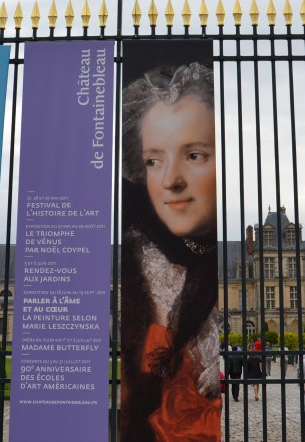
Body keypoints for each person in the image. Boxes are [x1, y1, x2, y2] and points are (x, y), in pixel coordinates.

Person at [119, 62, 221, 442]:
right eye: (153, 160)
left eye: (194, 155)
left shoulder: (213, 264)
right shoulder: (137, 262)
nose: (170, 180)